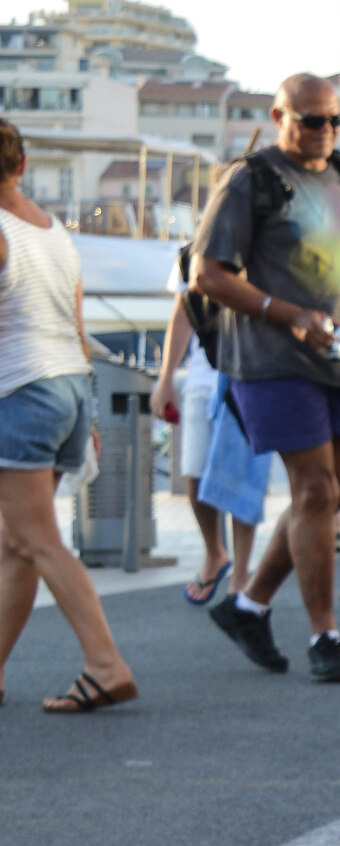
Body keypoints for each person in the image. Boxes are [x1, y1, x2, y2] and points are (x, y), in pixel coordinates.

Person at [192, 74, 340, 683]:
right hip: (272, 362)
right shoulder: (250, 180)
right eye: (311, 120)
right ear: (278, 115)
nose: (324, 132)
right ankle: (325, 635)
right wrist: (287, 313)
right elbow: (207, 274)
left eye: (333, 121)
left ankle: (249, 605)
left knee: (332, 492)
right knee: (317, 490)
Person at [0, 117, 138, 714]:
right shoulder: (55, 231)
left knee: (35, 539)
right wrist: (93, 424)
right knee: (15, 544)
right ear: (22, 166)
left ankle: (105, 664)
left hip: (22, 390)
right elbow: (78, 329)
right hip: (69, 389)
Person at [151, 283, 257, 605]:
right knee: (193, 472)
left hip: (250, 374)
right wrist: (166, 378)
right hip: (202, 375)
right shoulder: (190, 255)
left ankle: (241, 573)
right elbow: (182, 312)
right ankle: (215, 552)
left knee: (241, 480)